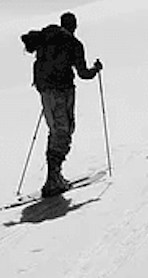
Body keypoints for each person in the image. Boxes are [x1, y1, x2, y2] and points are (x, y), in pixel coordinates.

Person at [21, 11, 103, 197]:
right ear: (74, 25)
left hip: (44, 91)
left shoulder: (46, 38)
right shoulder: (74, 44)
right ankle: (53, 179)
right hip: (63, 91)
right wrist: (96, 70)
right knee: (63, 132)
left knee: (55, 131)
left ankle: (54, 176)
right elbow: (83, 74)